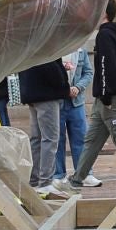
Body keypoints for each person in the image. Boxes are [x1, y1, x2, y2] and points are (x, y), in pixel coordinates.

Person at [64, 0, 116, 190]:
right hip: (107, 97)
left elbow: (107, 67)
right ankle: (78, 179)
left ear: (103, 13)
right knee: (92, 140)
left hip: (111, 97)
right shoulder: (115, 34)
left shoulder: (105, 35)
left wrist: (107, 96)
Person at [16, 56, 71, 198]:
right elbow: (50, 64)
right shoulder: (47, 40)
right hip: (46, 93)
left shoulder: (31, 39)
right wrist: (63, 84)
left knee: (37, 138)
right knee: (50, 138)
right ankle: (45, 182)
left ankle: (34, 180)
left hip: (32, 91)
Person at [55, 43, 91, 181]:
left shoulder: (81, 50)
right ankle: (58, 174)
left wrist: (78, 87)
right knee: (57, 140)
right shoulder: (54, 49)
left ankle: (84, 173)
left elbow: (88, 72)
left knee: (81, 138)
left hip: (76, 102)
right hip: (57, 101)